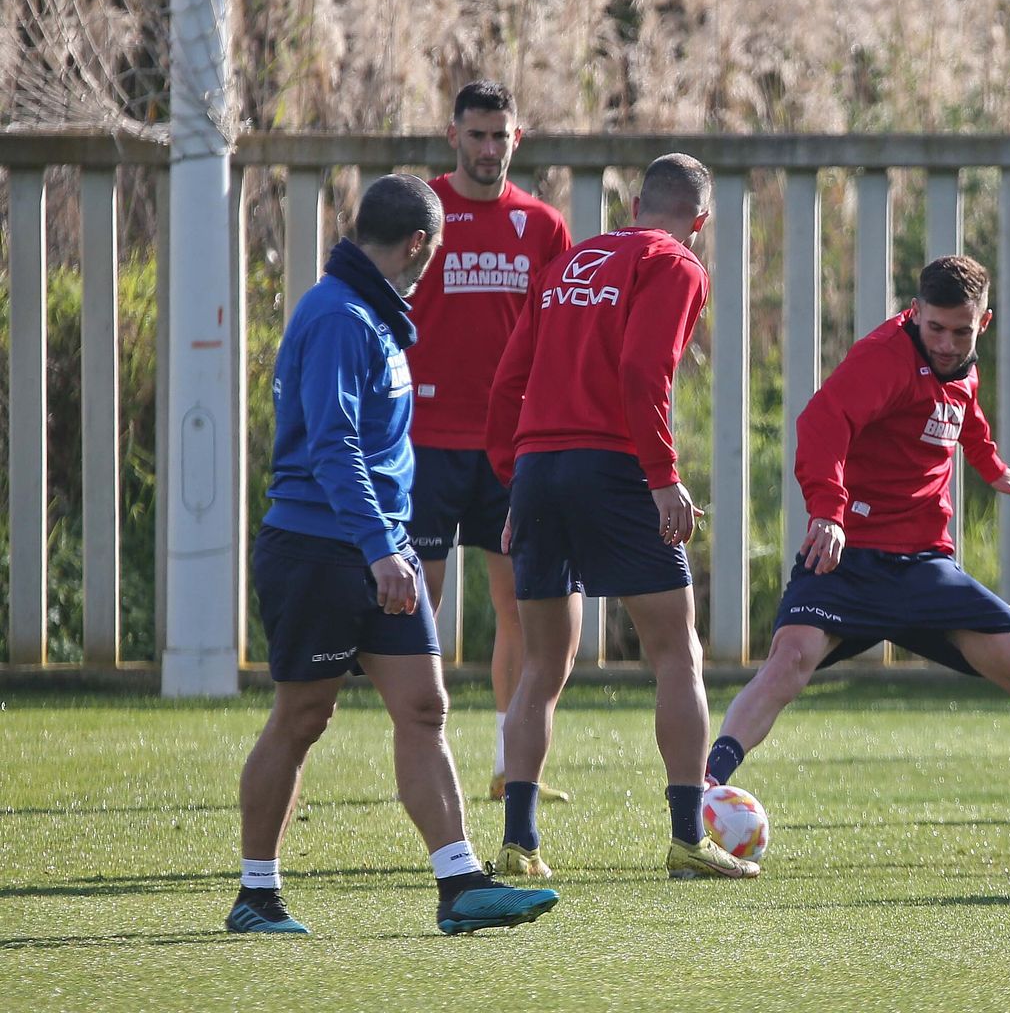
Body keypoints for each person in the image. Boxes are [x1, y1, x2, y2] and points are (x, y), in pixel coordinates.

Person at [704, 255, 1010, 867]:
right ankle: (705, 792)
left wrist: (994, 469)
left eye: (961, 332)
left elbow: (962, 416)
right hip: (853, 555)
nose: (947, 345)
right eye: (936, 329)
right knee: (788, 662)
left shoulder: (960, 368)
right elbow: (821, 422)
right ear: (915, 312)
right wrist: (829, 513)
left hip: (924, 566)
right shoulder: (884, 359)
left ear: (983, 324)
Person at [229, 174, 560, 937]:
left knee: (424, 705)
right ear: (417, 245)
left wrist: (392, 546)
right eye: (432, 253)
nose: (430, 265)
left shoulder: (371, 314)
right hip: (320, 547)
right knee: (303, 714)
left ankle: (460, 885)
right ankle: (256, 893)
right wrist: (382, 548)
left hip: (383, 546)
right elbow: (334, 447)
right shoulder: (342, 317)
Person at [486, 153, 757, 881]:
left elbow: (508, 381)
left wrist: (516, 484)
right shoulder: (674, 264)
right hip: (613, 468)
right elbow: (644, 372)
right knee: (677, 651)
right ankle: (686, 839)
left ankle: (519, 845)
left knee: (542, 666)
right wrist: (664, 480)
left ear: (636, 201)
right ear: (700, 220)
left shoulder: (570, 261)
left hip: (540, 468)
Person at [404, 80, 573, 804]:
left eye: (498, 135)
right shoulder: (420, 215)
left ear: (517, 139)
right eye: (475, 134)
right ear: (453, 137)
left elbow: (563, 329)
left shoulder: (541, 226)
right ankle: (421, 746)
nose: (486, 148)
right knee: (418, 601)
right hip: (428, 439)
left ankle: (511, 763)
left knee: (517, 603)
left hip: (510, 445)